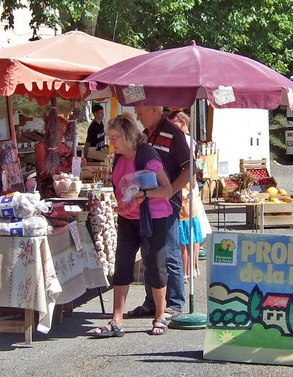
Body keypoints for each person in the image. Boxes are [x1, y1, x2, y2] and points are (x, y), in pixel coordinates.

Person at [87, 113, 174, 337]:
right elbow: (121, 187)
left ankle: (160, 315)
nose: (111, 142)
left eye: (114, 138)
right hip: (128, 217)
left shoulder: (147, 155)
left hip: (153, 217)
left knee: (155, 265)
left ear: (127, 136)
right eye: (110, 137)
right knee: (123, 264)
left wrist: (143, 193)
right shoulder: (119, 156)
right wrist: (123, 204)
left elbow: (167, 190)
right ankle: (116, 320)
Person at [128, 105, 191, 319]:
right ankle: (152, 302)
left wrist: (171, 190)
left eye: (140, 112)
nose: (138, 116)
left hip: (167, 203)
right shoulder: (144, 135)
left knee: (169, 251)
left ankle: (174, 302)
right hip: (147, 202)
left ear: (154, 109)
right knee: (149, 253)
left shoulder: (173, 133)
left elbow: (190, 168)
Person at [167, 110, 205, 283]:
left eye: (174, 124)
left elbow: (190, 168)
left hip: (185, 192)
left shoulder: (185, 141)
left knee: (185, 237)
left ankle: (187, 272)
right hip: (188, 190)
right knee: (191, 235)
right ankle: (193, 269)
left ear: (183, 123)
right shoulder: (187, 140)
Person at [34, 116, 73, 198]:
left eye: (64, 130)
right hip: (50, 189)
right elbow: (43, 171)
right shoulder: (41, 147)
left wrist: (79, 162)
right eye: (59, 130)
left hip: (67, 187)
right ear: (50, 130)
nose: (62, 133)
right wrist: (66, 168)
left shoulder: (64, 146)